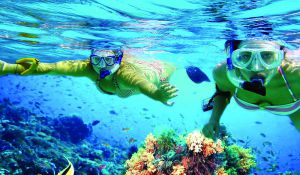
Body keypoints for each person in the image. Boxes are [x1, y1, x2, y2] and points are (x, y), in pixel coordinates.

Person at [0, 49, 181, 106]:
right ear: (91, 58)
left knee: (169, 69)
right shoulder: (88, 68)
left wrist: (158, 95)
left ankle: (183, 66)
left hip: (158, 72)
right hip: (139, 82)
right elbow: (53, 68)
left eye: (109, 60)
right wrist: (10, 67)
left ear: (118, 59)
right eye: (97, 59)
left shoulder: (126, 74)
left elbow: (143, 85)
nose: (102, 66)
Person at [202, 39, 300, 138]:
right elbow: (223, 93)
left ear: (281, 56)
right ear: (234, 58)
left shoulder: (296, 73)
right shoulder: (224, 72)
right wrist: (214, 120)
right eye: (246, 56)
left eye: (267, 55)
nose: (256, 67)